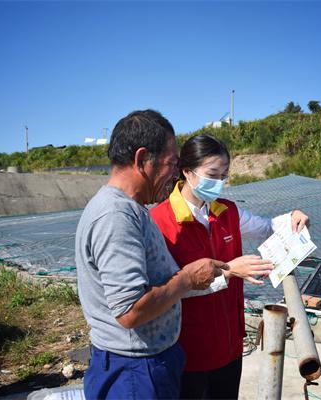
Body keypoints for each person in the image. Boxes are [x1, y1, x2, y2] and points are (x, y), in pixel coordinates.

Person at [75, 110, 228, 399]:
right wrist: (187, 279)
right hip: (134, 372)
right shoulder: (115, 216)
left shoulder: (131, 209)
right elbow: (130, 310)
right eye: (171, 164)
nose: (174, 174)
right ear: (143, 159)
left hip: (145, 364)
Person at [150, 134, 309, 399]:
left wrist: (293, 218)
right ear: (187, 172)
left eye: (224, 175)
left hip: (229, 346)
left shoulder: (227, 212)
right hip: (188, 351)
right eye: (212, 174)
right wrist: (229, 271)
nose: (219, 183)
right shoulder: (160, 221)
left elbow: (266, 227)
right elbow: (166, 291)